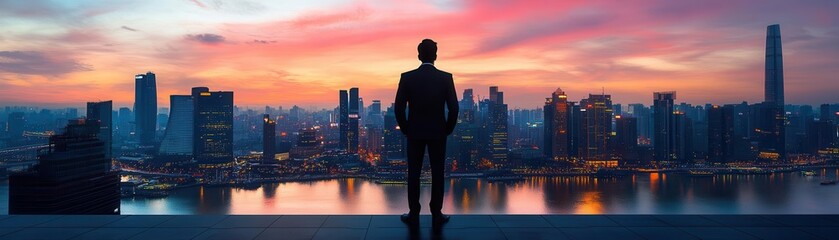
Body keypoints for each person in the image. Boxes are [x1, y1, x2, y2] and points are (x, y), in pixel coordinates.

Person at [395, 39, 458, 225]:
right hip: (438, 133)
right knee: (438, 173)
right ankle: (436, 213)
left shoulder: (407, 78)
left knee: (413, 173)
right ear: (435, 56)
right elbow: (454, 109)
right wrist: (447, 129)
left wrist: (406, 129)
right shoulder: (445, 78)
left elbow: (398, 109)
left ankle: (414, 213)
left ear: (419, 55)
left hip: (414, 132)